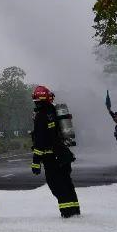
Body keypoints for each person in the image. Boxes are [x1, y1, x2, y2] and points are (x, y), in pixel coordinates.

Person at [31, 85, 80, 217]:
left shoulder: (41, 116)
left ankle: (67, 212)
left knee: (56, 184)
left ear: (37, 100)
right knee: (66, 182)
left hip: (51, 157)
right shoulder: (54, 111)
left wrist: (36, 162)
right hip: (63, 154)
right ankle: (75, 209)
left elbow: (40, 140)